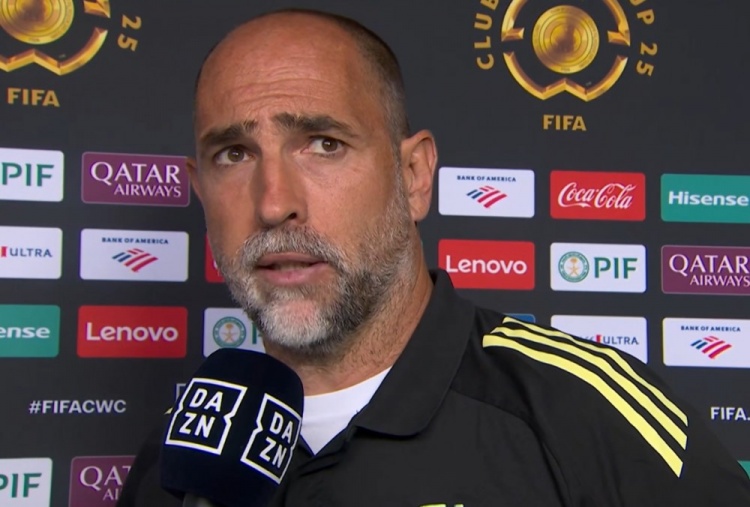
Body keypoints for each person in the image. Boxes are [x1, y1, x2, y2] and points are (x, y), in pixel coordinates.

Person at [119, 8, 750, 506]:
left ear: (415, 176)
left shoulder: (583, 413)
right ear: (200, 192)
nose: (273, 202)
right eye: (233, 154)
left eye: (324, 144)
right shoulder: (178, 460)